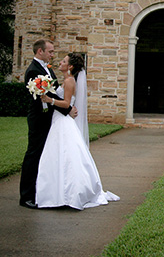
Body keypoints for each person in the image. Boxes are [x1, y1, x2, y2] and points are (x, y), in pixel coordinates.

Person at [37, 52, 119, 210]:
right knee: (58, 155)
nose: (60, 62)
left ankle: (68, 194)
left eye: (64, 61)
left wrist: (49, 100)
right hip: (58, 119)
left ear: (70, 66)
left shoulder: (69, 81)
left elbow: (67, 103)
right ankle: (57, 193)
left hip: (62, 121)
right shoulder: (66, 80)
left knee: (65, 155)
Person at [20, 39, 77, 209]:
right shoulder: (33, 71)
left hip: (49, 117)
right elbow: (41, 97)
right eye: (50, 52)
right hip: (39, 118)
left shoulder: (48, 69)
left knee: (45, 155)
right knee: (33, 154)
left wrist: (67, 107)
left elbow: (53, 93)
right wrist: (68, 109)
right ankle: (26, 196)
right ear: (40, 52)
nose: (53, 55)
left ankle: (41, 191)